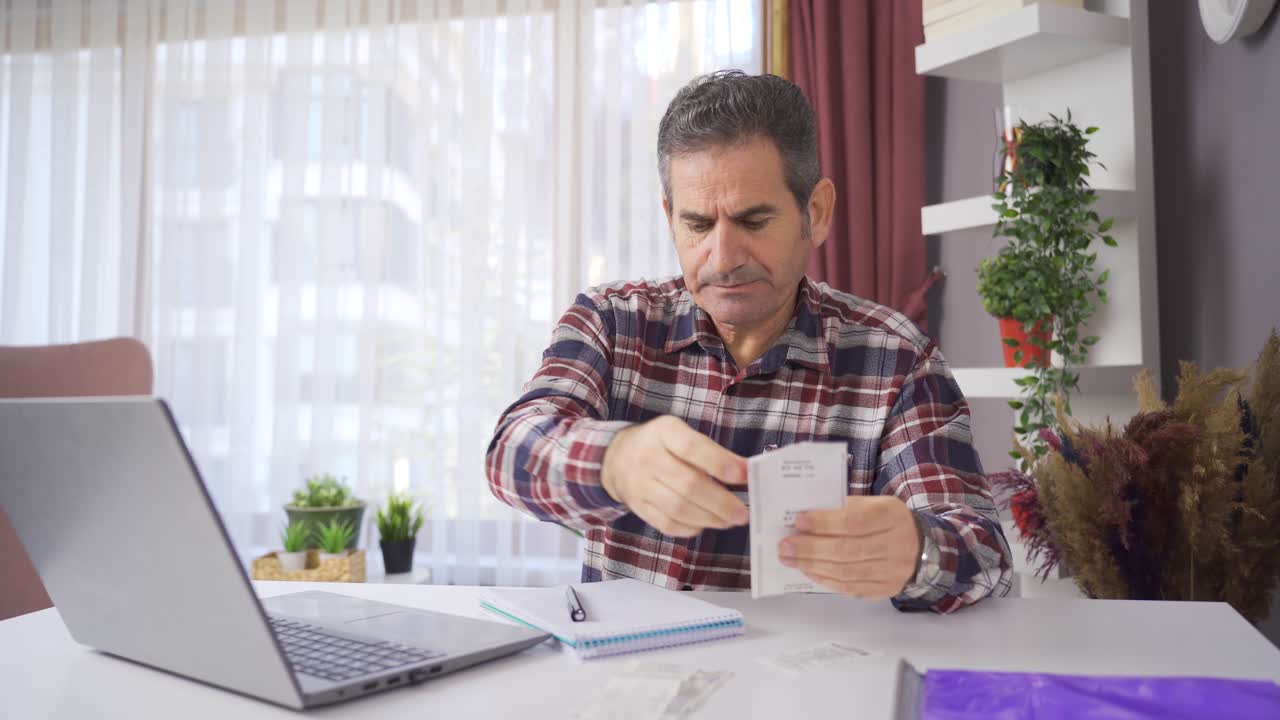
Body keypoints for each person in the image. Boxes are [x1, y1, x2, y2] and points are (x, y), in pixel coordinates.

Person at [485, 70, 1011, 612]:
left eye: (753, 221)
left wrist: (918, 552)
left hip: (812, 667)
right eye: (697, 225)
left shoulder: (897, 360)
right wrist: (613, 463)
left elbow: (986, 559)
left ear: (816, 213)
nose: (723, 258)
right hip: (632, 663)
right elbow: (509, 454)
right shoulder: (612, 322)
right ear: (670, 218)